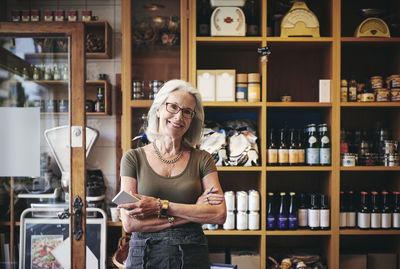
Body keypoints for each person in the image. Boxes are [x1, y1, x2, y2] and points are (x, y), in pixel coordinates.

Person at [118, 79, 227, 268]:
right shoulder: (132, 158)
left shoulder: (203, 159)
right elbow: (130, 223)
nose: (179, 116)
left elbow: (218, 214)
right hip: (144, 253)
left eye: (187, 112)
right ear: (159, 109)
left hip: (192, 254)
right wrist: (192, 212)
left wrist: (159, 205)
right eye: (173, 107)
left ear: (192, 119)